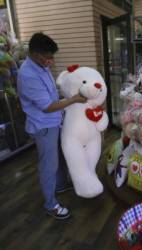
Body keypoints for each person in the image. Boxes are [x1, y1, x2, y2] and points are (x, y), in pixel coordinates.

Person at [17, 32, 87, 219]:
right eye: (48, 57)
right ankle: (50, 204)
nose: (51, 61)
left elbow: (52, 94)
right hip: (44, 126)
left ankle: (61, 183)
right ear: (36, 54)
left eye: (51, 57)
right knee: (49, 165)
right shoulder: (28, 75)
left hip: (55, 121)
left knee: (61, 155)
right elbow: (47, 106)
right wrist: (73, 100)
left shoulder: (42, 66)